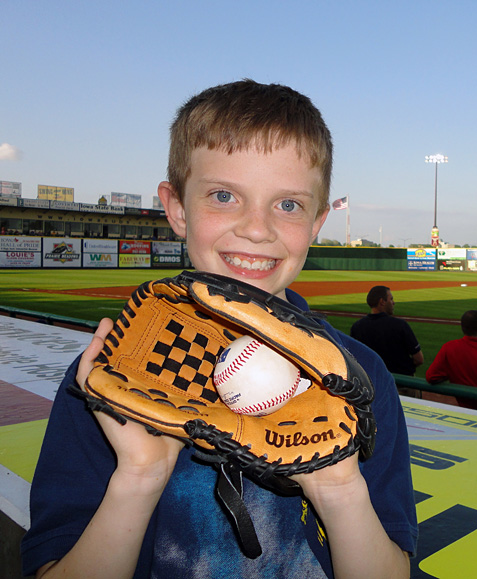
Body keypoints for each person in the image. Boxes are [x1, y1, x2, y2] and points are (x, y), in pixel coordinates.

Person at [21, 80, 417, 579]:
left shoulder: (356, 376)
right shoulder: (113, 373)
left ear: (318, 221)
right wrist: (140, 476)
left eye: (288, 205)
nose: (257, 228)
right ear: (178, 208)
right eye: (224, 195)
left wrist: (338, 489)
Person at [350, 286, 424, 397]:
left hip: (372, 386)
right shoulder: (400, 325)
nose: (393, 303)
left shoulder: (357, 327)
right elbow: (419, 359)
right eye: (391, 299)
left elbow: (353, 359)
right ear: (382, 302)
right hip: (401, 386)